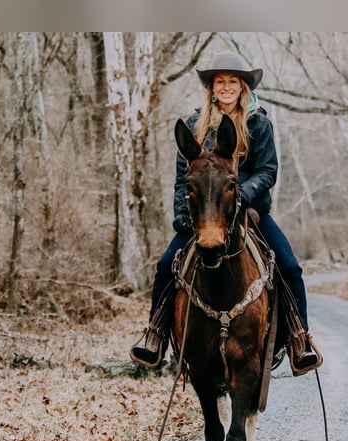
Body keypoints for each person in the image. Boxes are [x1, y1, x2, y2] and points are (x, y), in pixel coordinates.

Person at [130, 51, 322, 375]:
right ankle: (155, 335)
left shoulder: (259, 122)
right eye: (221, 82)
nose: (227, 87)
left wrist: (242, 195)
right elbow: (183, 179)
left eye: (233, 81)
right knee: (166, 265)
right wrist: (181, 214)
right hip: (204, 216)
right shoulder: (195, 126)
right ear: (212, 88)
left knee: (290, 267)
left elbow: (268, 170)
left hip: (251, 213)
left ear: (243, 86)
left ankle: (298, 340)